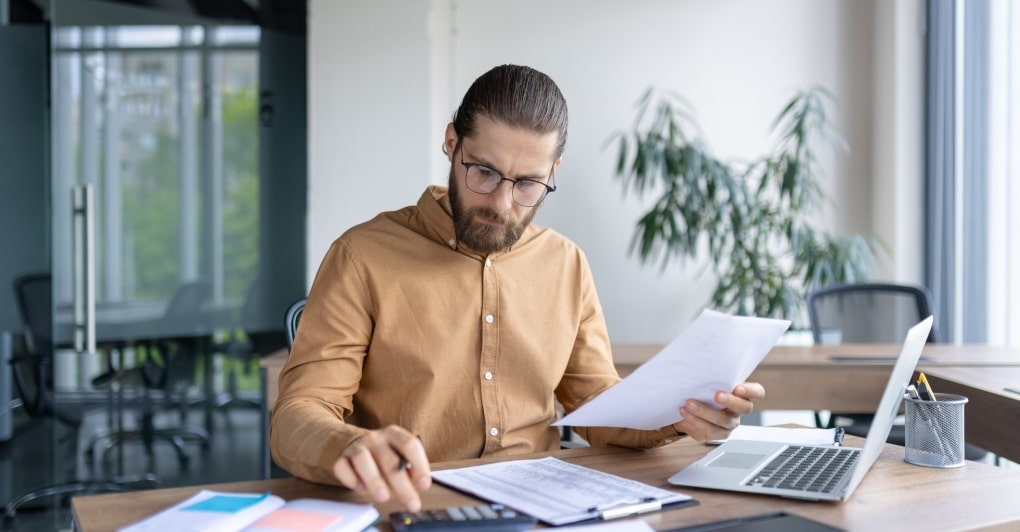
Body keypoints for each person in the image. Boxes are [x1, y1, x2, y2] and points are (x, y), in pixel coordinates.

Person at [270, 64, 766, 513]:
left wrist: (684, 416)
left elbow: (598, 407)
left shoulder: (566, 263)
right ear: (451, 143)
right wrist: (346, 446)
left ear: (553, 172)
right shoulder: (362, 256)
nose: (502, 203)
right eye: (483, 172)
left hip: (544, 509)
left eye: (528, 183)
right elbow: (298, 414)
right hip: (413, 505)